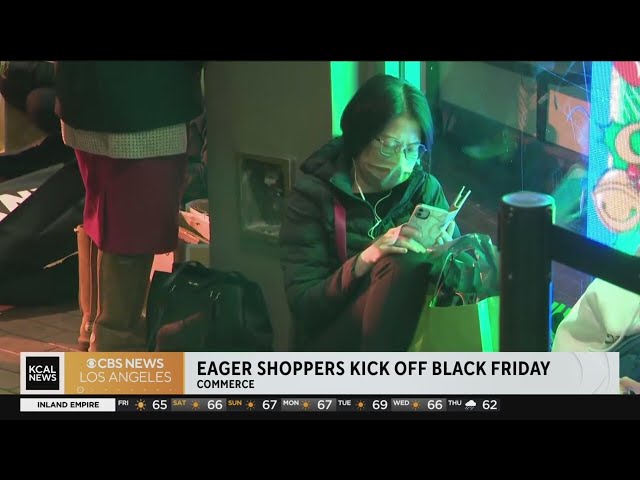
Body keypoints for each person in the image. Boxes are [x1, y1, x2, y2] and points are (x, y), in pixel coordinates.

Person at [280, 74, 459, 352]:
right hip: (332, 339)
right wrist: (365, 259)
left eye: (412, 150)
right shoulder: (313, 196)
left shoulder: (424, 189)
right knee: (398, 265)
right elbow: (305, 306)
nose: (401, 163)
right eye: (389, 146)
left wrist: (447, 255)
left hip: (414, 335)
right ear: (359, 137)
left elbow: (457, 285)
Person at [55, 61, 204, 352]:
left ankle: (95, 327)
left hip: (86, 90)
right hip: (146, 100)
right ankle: (116, 340)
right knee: (135, 226)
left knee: (105, 212)